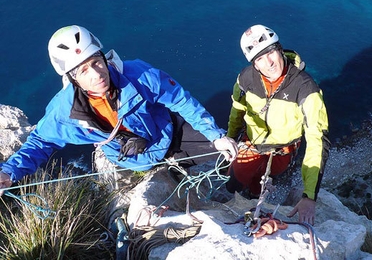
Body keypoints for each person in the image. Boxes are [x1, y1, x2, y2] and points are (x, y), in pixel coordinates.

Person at [0, 25, 238, 195]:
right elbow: (40, 142)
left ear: (104, 59)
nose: (96, 74)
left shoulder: (138, 75)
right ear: (72, 79)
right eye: (83, 71)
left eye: (96, 62)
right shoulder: (65, 112)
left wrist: (215, 136)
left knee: (235, 157)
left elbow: (180, 100)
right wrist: (9, 173)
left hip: (168, 135)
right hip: (130, 160)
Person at [225, 24, 330, 225]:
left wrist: (309, 196)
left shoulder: (306, 89)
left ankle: (257, 198)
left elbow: (317, 141)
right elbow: (237, 111)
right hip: (252, 144)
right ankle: (244, 196)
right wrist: (230, 140)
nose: (268, 63)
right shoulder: (245, 79)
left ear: (280, 49)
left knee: (262, 182)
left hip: (283, 150)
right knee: (234, 182)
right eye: (260, 59)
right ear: (254, 64)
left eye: (271, 52)